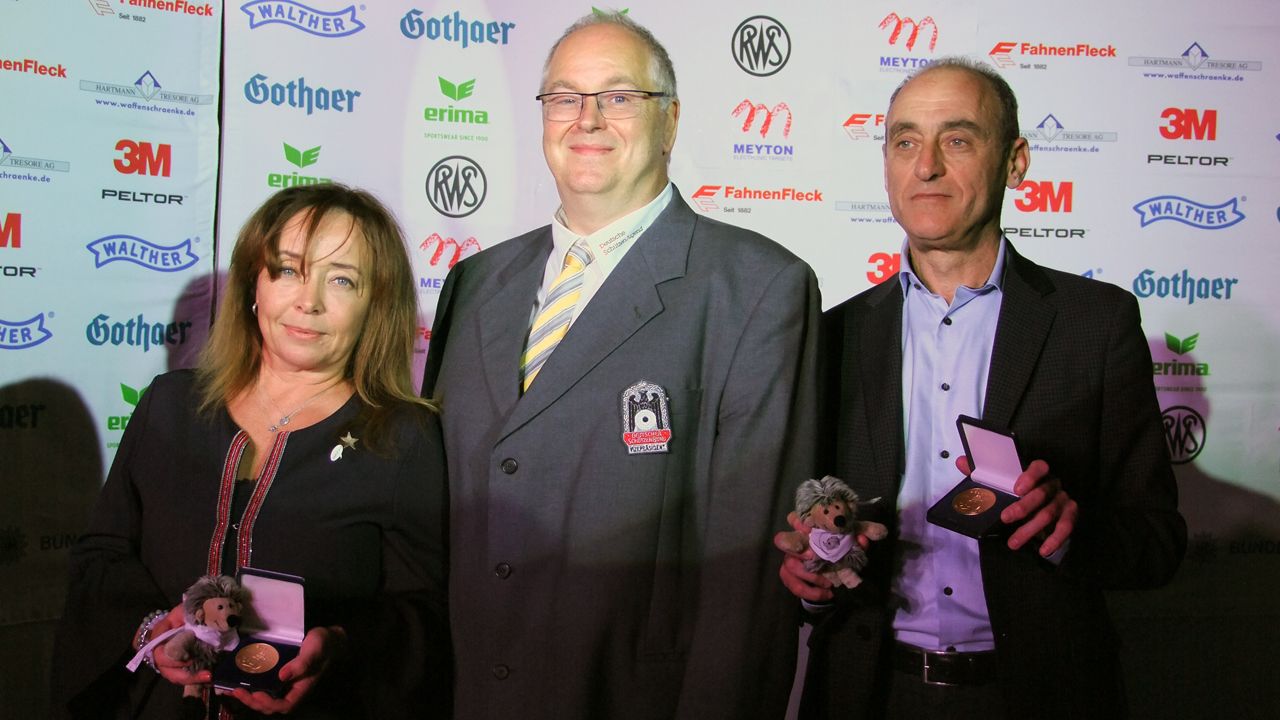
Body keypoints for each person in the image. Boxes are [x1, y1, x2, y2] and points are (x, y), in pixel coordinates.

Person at [421, 11, 818, 719]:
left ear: (669, 122)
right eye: (565, 96)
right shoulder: (474, 283)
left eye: (619, 96)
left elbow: (748, 576)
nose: (588, 119)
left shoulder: (757, 287)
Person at [778, 58, 1186, 719]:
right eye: (905, 141)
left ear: (1015, 161)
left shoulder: (1095, 324)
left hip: (1039, 696)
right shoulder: (831, 336)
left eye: (958, 139)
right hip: (870, 694)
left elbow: (1157, 542)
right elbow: (809, 530)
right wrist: (811, 581)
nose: (926, 166)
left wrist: (1072, 531)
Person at [51, 184, 450, 719]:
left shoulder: (404, 437)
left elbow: (427, 614)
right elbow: (101, 559)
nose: (308, 302)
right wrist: (152, 633)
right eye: (288, 270)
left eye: (342, 280)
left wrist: (343, 645)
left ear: (375, 305)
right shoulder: (169, 406)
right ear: (253, 286)